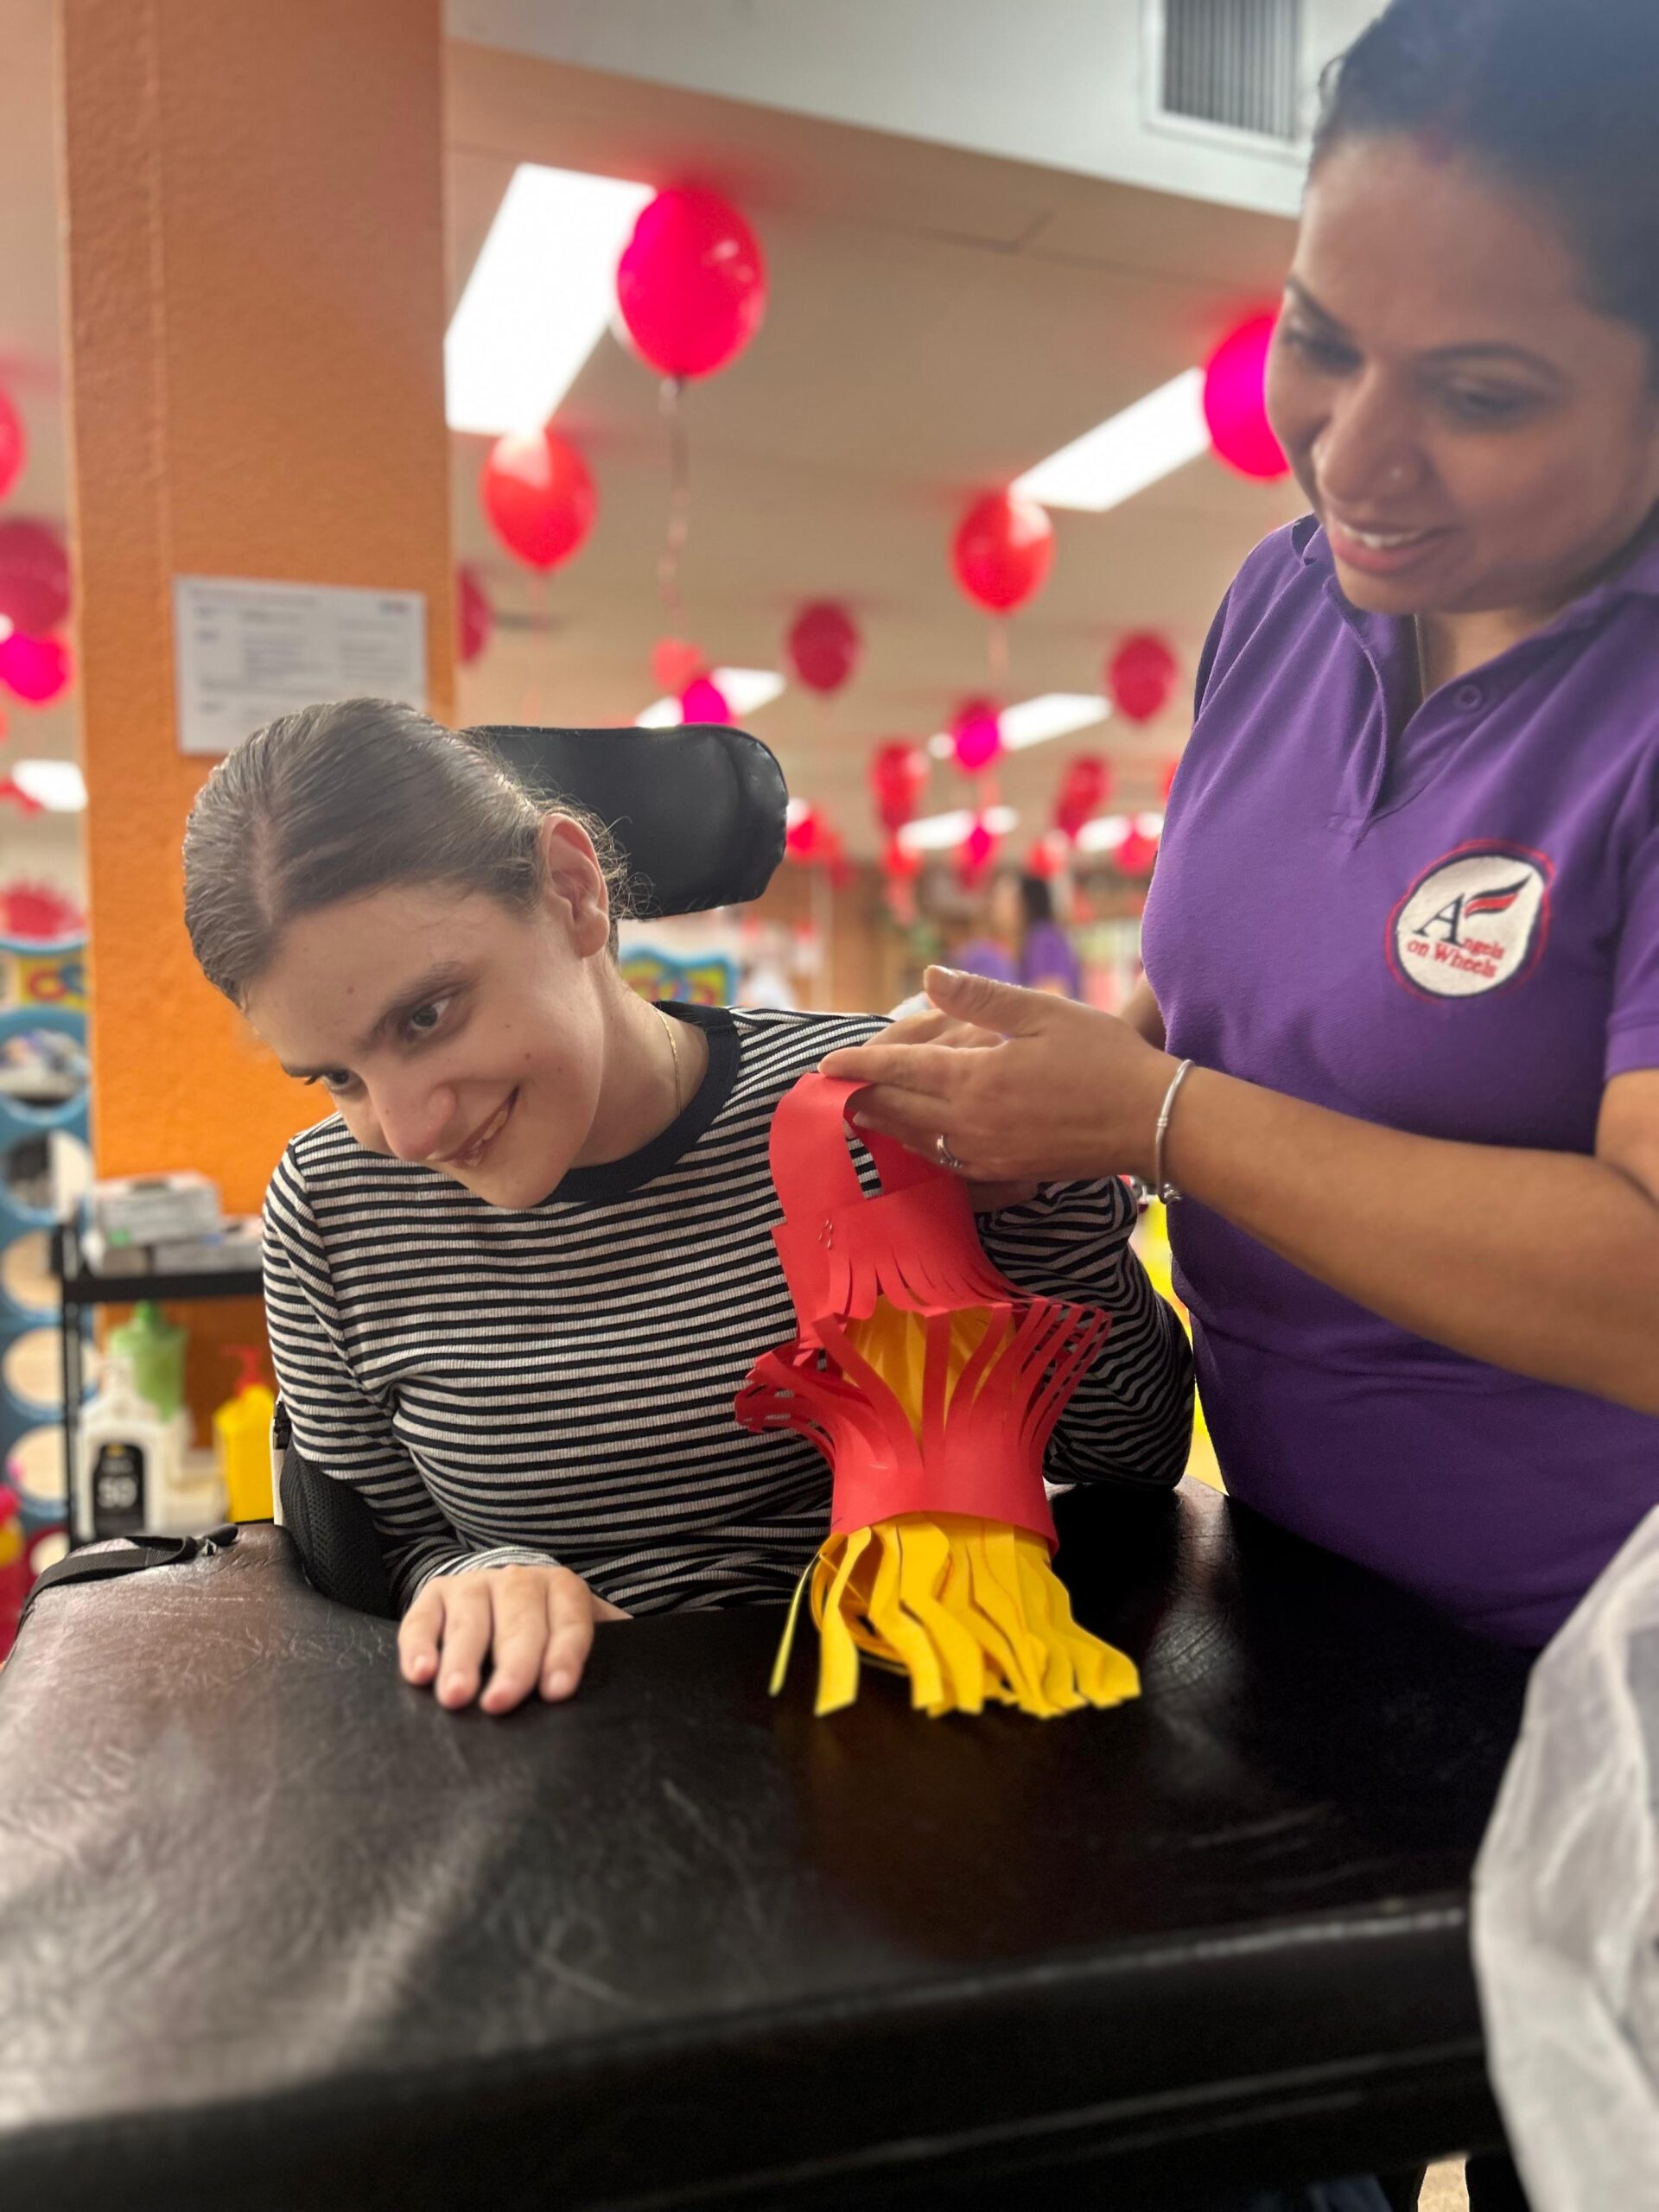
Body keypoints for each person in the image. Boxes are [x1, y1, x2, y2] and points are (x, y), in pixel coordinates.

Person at [825, 7, 1658, 2198]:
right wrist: (1058, 1073)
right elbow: (1283, 1016)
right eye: (1319, 340)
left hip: (1611, 1665)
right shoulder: (1286, 606)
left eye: (1480, 393)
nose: (1350, 457)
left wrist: (1158, 1112)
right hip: (1306, 1602)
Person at [180, 699, 1192, 1717]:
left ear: (572, 893)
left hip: (900, 1721)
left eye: (428, 1015)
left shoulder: (876, 1106)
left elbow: (1131, 1456)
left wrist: (1044, 1183)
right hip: (552, 1748)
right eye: (337, 1079)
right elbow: (374, 1553)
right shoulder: (333, 1205)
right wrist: (472, 1584)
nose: (407, 1130)